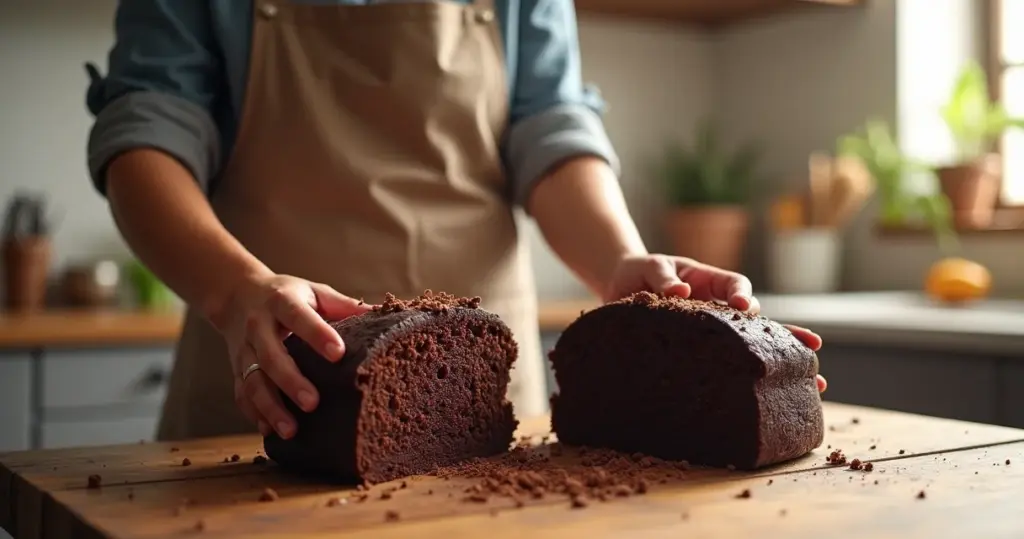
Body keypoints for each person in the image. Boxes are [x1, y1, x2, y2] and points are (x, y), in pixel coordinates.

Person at [85, 0, 827, 443]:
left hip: (479, 400)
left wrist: (619, 262)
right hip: (271, 376)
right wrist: (233, 290)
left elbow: (548, 129)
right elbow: (148, 130)